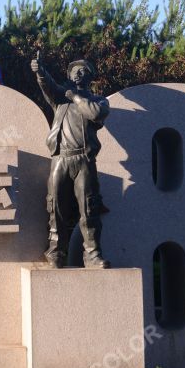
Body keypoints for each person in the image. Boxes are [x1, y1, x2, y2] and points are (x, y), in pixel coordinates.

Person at [31, 52, 110, 269]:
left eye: (83, 71)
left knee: (89, 209)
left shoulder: (98, 101)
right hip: (60, 158)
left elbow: (94, 114)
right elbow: (48, 85)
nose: (78, 73)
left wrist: (75, 96)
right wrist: (40, 71)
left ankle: (92, 254)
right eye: (75, 70)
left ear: (89, 77)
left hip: (84, 160)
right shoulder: (60, 99)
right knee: (55, 206)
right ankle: (56, 251)